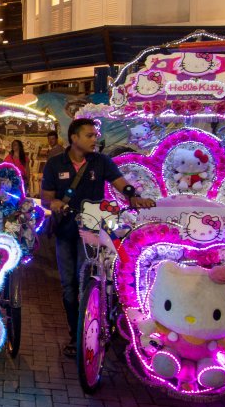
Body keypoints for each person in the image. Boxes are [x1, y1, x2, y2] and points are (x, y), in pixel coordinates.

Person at [41, 118, 155, 358]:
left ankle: (91, 332)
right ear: (74, 138)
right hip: (65, 232)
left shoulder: (101, 162)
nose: (95, 139)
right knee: (68, 287)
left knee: (88, 283)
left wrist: (134, 198)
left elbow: (122, 185)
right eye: (90, 135)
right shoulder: (54, 164)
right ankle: (76, 334)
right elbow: (46, 198)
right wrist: (56, 203)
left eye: (95, 135)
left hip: (92, 232)